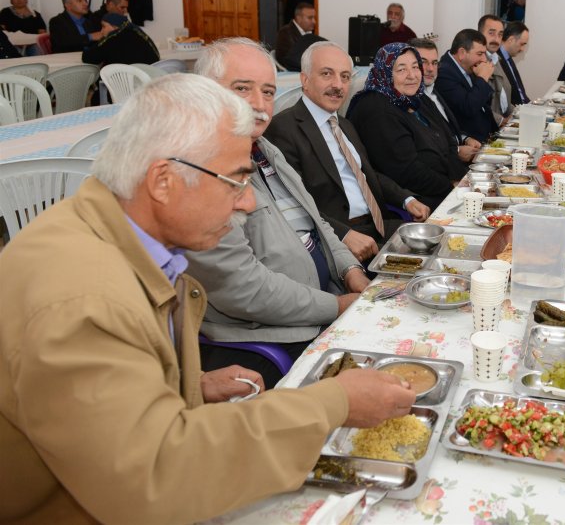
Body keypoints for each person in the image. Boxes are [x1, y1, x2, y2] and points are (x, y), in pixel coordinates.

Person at [0, 73, 415, 524]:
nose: (247, 204)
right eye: (236, 180)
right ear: (163, 180)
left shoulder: (118, 229)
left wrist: (185, 384)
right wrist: (334, 403)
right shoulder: (82, 295)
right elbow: (153, 477)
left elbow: (88, 403)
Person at [189, 38, 373, 386]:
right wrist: (336, 306)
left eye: (269, 92)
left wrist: (351, 271)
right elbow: (244, 290)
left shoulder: (263, 149)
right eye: (242, 88)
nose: (259, 105)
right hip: (272, 339)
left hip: (326, 303)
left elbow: (317, 223)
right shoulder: (199, 172)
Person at [264, 41, 430, 262]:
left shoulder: (343, 124)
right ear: (305, 80)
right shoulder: (282, 128)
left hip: (377, 225)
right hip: (337, 239)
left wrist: (406, 199)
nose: (338, 85)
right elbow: (293, 203)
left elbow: (366, 173)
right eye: (327, 74)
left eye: (345, 76)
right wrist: (343, 235)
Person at [348, 43, 468, 209]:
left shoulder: (416, 97)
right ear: (385, 73)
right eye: (401, 69)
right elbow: (406, 172)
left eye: (415, 67)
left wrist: (460, 179)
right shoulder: (376, 109)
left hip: (444, 188)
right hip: (412, 201)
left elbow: (449, 141)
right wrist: (451, 188)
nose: (412, 75)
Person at [411, 36, 482, 164]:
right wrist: (457, 151)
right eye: (423, 62)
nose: (430, 69)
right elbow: (426, 145)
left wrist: (465, 138)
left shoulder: (433, 90)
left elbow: (446, 129)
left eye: (434, 63)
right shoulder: (411, 99)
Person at [434, 28, 497, 143]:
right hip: (469, 143)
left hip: (487, 138)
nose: (484, 59)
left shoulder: (469, 67)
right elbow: (469, 107)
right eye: (480, 54)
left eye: (484, 53)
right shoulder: (444, 73)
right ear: (462, 53)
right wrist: (482, 78)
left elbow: (484, 104)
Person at [82, 12, 160, 66]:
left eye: (104, 26)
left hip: (126, 85)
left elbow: (88, 57)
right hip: (151, 81)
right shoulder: (137, 31)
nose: (101, 31)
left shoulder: (114, 36)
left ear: (115, 27)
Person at [479, 15, 512, 126]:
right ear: (480, 34)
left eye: (500, 34)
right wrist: (502, 121)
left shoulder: (496, 58)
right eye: (491, 33)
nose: (496, 39)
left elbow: (503, 99)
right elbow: (479, 106)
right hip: (488, 127)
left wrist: (518, 114)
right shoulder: (477, 61)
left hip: (502, 122)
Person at [275, 1, 316, 71]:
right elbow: (288, 60)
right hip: (293, 72)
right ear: (299, 18)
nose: (314, 21)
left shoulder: (309, 32)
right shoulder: (285, 33)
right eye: (310, 18)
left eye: (314, 18)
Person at [498, 21, 530, 105]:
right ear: (511, 40)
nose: (523, 49)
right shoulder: (496, 59)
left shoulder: (508, 58)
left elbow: (519, 92)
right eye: (522, 44)